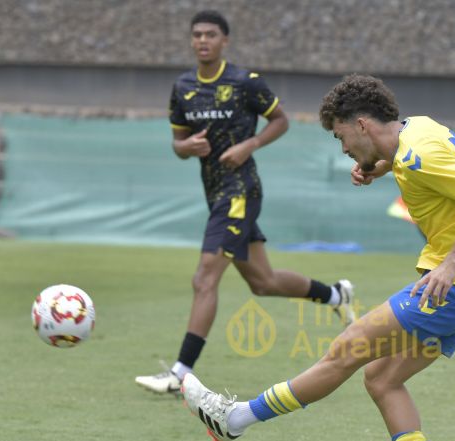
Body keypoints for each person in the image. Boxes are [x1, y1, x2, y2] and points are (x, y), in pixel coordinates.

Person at [181, 74, 455, 441]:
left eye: (341, 137)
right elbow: (421, 164)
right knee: (381, 379)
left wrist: (451, 264)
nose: (343, 150)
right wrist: (378, 167)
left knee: (347, 347)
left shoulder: (418, 154)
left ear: (360, 124)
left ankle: (235, 419)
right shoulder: (416, 130)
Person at [135, 10, 355, 394]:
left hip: (241, 191)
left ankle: (180, 373)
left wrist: (249, 144)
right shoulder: (183, 86)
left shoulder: (245, 82)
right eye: (197, 35)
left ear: (224, 41)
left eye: (210, 34)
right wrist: (186, 147)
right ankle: (337, 294)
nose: (202, 40)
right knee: (263, 283)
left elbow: (281, 120)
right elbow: (178, 144)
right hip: (215, 193)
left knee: (204, 278)